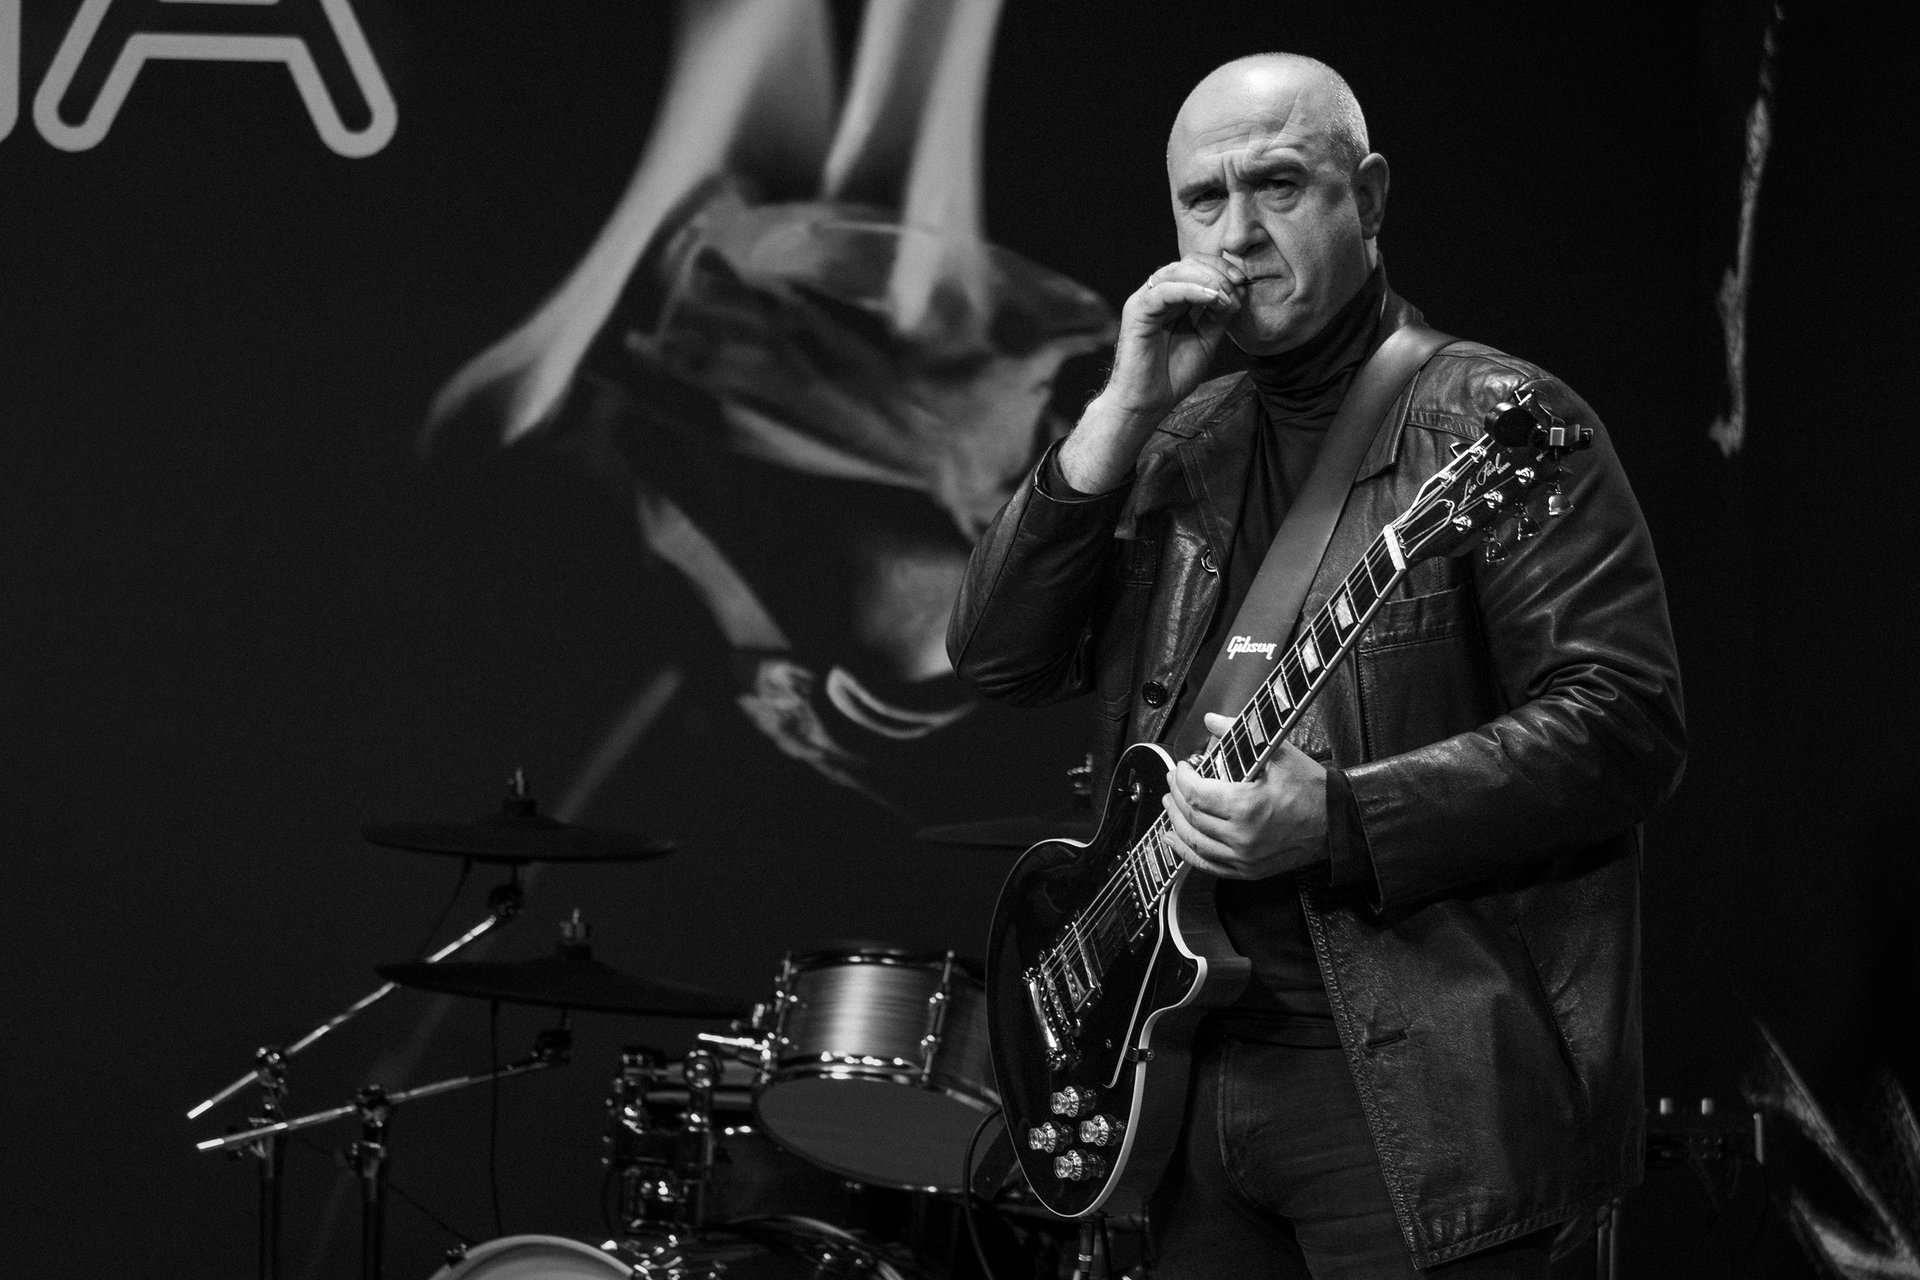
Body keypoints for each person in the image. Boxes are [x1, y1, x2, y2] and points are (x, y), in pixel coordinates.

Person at [948, 53, 1684, 1277]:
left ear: (1371, 196)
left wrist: (1340, 815)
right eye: (1203, 200)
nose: (1237, 233)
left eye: (1278, 185)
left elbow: (1626, 724)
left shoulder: (1496, 420)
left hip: (1429, 1101)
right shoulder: (1181, 445)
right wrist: (1119, 415)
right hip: (1186, 1084)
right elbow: (996, 655)